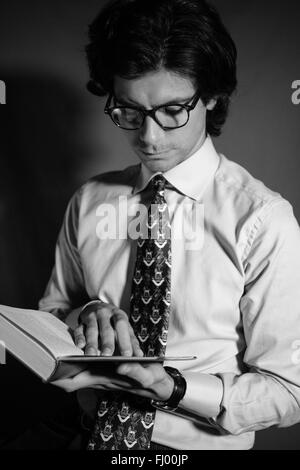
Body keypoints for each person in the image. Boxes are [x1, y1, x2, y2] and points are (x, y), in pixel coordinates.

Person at [38, 0, 300, 450]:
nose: (149, 136)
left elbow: (290, 392)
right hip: (82, 437)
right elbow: (50, 316)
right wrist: (85, 316)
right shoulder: (89, 200)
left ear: (213, 96)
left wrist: (173, 388)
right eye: (129, 110)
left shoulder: (262, 220)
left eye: (173, 110)